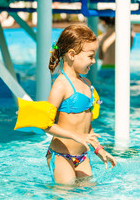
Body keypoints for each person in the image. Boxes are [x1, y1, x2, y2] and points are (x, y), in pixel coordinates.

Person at [46, 24, 117, 184]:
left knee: (88, 197)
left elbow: (86, 125)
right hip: (61, 155)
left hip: (82, 156)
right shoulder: (61, 85)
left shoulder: (86, 83)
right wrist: (75, 135)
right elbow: (45, 124)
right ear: (72, 54)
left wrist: (98, 149)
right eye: (90, 56)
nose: (94, 61)